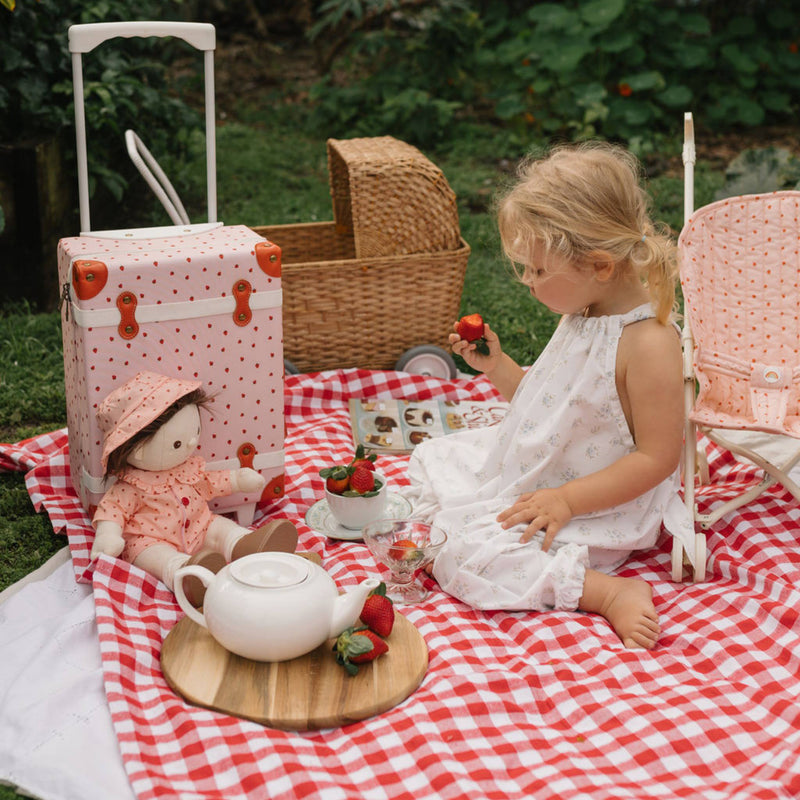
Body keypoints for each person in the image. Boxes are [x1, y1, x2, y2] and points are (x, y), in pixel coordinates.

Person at [404, 142, 696, 649]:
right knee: (436, 458)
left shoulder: (647, 343)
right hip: (547, 476)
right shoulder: (585, 311)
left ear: (600, 265)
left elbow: (658, 457)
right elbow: (548, 407)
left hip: (596, 501)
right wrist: (497, 368)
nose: (527, 283)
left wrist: (567, 499)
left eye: (538, 271)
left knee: (466, 554)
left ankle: (605, 591)